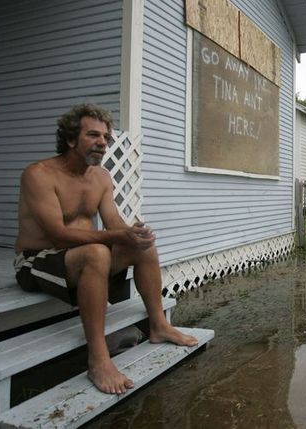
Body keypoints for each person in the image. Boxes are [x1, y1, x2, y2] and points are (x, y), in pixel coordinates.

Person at [14, 103, 197, 395]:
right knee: (98, 252)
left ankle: (159, 325)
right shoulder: (39, 174)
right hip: (36, 261)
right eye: (93, 135)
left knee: (143, 247)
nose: (102, 142)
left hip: (83, 259)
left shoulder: (101, 177)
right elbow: (58, 236)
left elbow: (113, 222)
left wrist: (134, 233)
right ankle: (98, 359)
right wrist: (116, 235)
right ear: (71, 139)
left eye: (106, 137)